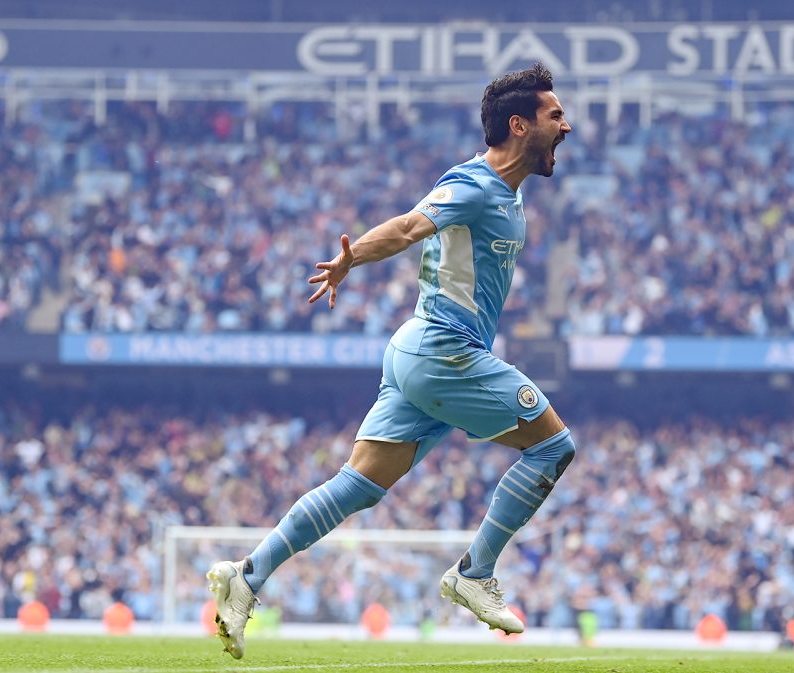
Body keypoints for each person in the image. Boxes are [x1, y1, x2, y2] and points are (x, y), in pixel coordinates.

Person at [205, 62, 573, 659]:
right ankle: (474, 572)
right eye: (555, 115)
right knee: (554, 446)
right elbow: (407, 227)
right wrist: (351, 260)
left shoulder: (508, 193)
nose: (567, 125)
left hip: (417, 352)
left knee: (357, 486)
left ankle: (245, 578)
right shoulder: (474, 184)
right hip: (443, 351)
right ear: (519, 124)